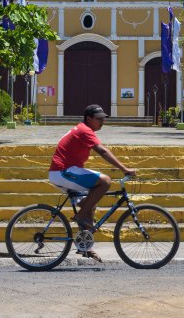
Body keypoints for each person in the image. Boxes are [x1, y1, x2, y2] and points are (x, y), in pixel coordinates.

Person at [48, 104, 136, 262]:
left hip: (63, 173)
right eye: (99, 119)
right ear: (89, 119)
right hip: (63, 172)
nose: (102, 121)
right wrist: (124, 168)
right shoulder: (85, 130)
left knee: (90, 204)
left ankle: (85, 247)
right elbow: (102, 151)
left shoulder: (83, 129)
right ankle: (81, 216)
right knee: (105, 181)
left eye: (103, 118)